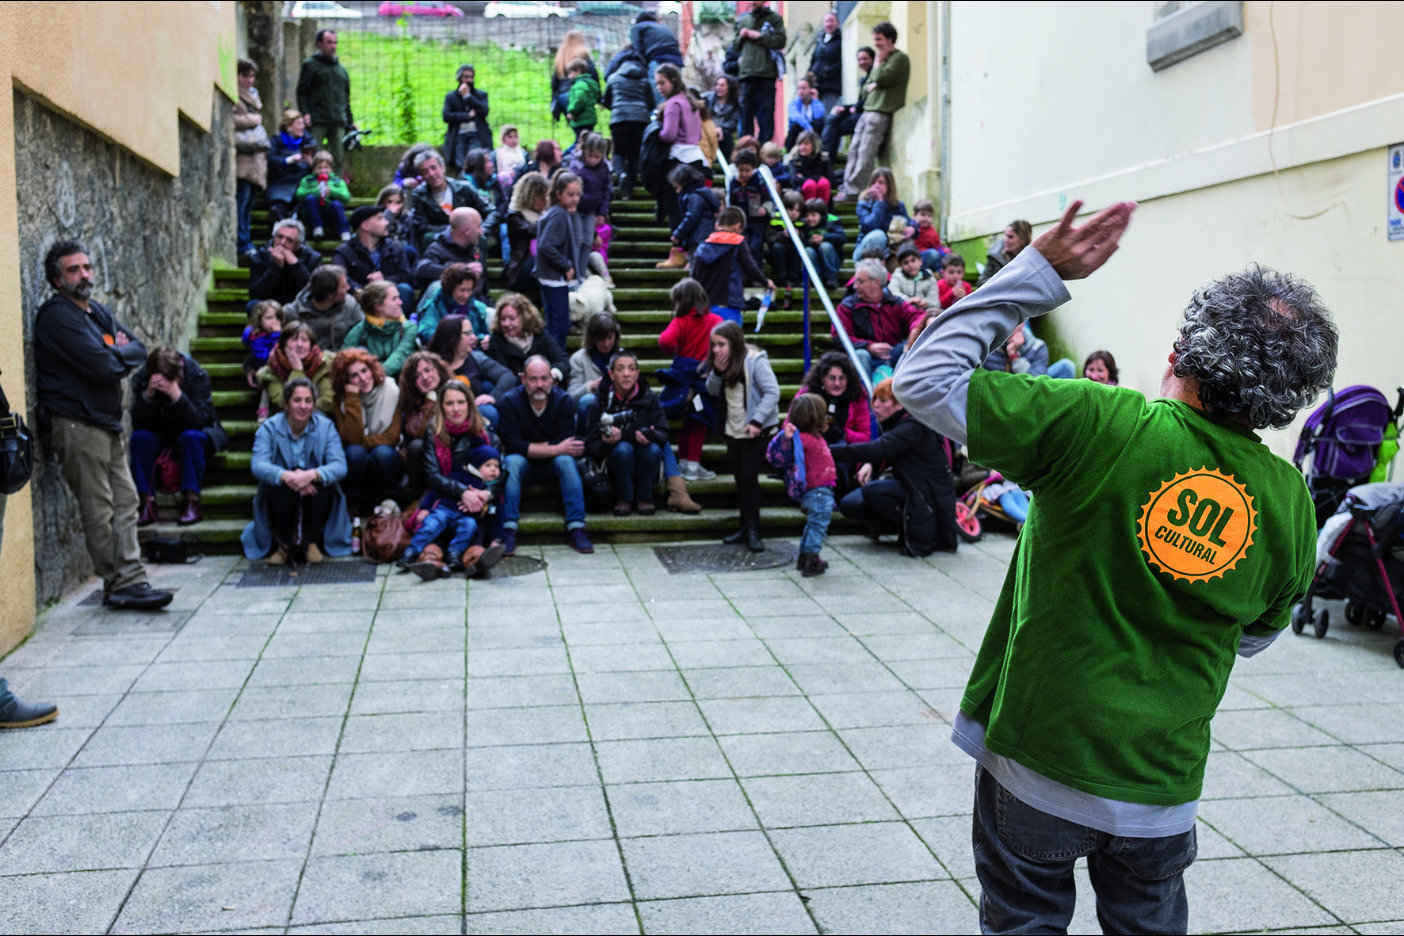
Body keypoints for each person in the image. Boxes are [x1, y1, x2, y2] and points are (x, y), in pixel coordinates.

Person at [893, 199, 1339, 932]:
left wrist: (1035, 271)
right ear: (1287, 398)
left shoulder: (1101, 423)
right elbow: (1256, 636)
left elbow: (924, 379)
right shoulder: (1289, 498)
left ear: (1182, 349)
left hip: (1039, 762)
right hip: (1161, 789)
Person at [32, 241, 173, 610]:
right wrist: (114, 352)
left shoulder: (95, 312)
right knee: (100, 507)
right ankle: (120, 582)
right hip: (78, 425)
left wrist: (114, 351)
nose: (84, 275)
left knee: (126, 501)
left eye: (87, 267)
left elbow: (139, 350)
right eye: (74, 270)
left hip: (107, 423)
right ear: (56, 279)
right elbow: (103, 366)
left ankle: (130, 578)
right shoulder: (57, 316)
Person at [832, 377, 956, 555]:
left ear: (900, 405)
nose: (875, 405)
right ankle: (894, 528)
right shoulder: (898, 422)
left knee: (873, 492)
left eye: (883, 401)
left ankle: (919, 531)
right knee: (850, 503)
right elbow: (886, 449)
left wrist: (830, 451)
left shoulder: (913, 426)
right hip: (912, 484)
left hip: (927, 493)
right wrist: (870, 464)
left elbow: (880, 447)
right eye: (874, 399)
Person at [242, 376, 352, 566]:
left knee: (322, 482)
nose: (303, 406)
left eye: (308, 401)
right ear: (286, 404)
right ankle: (283, 545)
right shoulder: (269, 428)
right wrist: (288, 476)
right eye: (297, 400)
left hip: (314, 492)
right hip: (283, 490)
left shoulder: (325, 427)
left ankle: (311, 542)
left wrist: (310, 475)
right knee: (278, 483)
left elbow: (339, 465)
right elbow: (258, 465)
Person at [496, 355, 593, 556]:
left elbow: (568, 444)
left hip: (553, 464)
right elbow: (513, 445)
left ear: (552, 379)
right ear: (523, 379)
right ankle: (508, 529)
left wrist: (536, 448)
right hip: (523, 464)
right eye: (533, 379)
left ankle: (576, 526)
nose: (539, 385)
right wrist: (554, 448)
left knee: (566, 461)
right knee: (512, 462)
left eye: (544, 378)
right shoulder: (509, 402)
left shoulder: (564, 401)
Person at [404, 382, 502, 579]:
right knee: (435, 522)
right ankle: (432, 561)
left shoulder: (485, 432)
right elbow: (433, 476)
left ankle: (474, 560)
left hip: (475, 500)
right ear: (441, 407)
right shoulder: (434, 432)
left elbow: (500, 473)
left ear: (469, 404)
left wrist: (485, 494)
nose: (456, 409)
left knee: (473, 521)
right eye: (449, 403)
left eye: (460, 402)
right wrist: (463, 492)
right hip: (442, 495)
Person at [129, 347, 227, 527]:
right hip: (162, 433)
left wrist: (177, 396)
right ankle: (147, 502)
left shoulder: (197, 375)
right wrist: (148, 396)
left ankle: (192, 501)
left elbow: (200, 422)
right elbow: (139, 422)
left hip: (195, 435)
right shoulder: (144, 378)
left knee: (191, 437)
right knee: (140, 438)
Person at [704, 321, 779, 552]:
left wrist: (757, 420)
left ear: (734, 343)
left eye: (721, 344)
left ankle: (755, 530)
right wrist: (716, 371)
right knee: (740, 480)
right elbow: (711, 390)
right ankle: (744, 527)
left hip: (754, 431)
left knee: (749, 479)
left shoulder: (755, 361)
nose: (716, 349)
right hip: (732, 429)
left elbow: (772, 392)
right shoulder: (721, 363)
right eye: (713, 345)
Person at [583, 351, 669, 516]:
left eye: (631, 369)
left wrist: (650, 435)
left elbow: (663, 433)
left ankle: (645, 497)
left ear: (637, 373)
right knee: (623, 449)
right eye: (620, 369)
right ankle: (624, 499)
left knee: (652, 450)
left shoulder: (650, 398)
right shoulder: (600, 401)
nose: (626, 374)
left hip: (645, 456)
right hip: (615, 462)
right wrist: (605, 442)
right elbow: (590, 445)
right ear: (611, 374)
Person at [659, 278, 724, 482]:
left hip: (682, 379)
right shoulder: (715, 321)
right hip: (705, 379)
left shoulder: (680, 321)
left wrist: (675, 351)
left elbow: (665, 341)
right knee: (699, 421)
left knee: (687, 420)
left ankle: (686, 463)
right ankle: (692, 463)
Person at [766, 393, 837, 576]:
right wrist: (786, 438)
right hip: (817, 491)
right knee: (818, 524)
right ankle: (811, 559)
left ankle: (805, 557)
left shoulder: (811, 437)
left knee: (813, 524)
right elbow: (778, 455)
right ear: (814, 417)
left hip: (822, 490)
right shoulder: (802, 439)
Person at [838, 22, 910, 200]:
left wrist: (878, 66)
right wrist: (875, 81)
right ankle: (848, 186)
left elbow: (882, 78)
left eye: (879, 39)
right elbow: (865, 89)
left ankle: (855, 191)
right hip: (868, 110)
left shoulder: (899, 59)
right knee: (854, 149)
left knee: (866, 152)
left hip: (881, 111)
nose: (876, 43)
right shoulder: (882, 60)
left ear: (890, 39)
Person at [331, 347, 403, 517]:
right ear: (345, 380)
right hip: (357, 458)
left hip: (388, 455)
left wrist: (364, 442)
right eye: (354, 375)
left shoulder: (391, 390)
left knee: (382, 453)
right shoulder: (343, 399)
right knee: (355, 453)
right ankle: (355, 505)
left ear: (372, 369)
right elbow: (351, 438)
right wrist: (353, 399)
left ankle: (389, 502)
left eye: (364, 371)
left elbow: (392, 437)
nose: (362, 378)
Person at [835, 258, 924, 377]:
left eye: (860, 282)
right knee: (861, 355)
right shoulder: (847, 307)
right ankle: (866, 394)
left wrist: (914, 331)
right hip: (866, 358)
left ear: (875, 282)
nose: (855, 286)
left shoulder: (894, 302)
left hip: (893, 355)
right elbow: (839, 337)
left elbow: (917, 316)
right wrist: (868, 346)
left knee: (908, 348)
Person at [427, 314, 516, 429]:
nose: (474, 337)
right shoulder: (431, 362)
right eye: (468, 333)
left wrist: (493, 396)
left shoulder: (476, 358)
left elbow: (508, 376)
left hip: (471, 415)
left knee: (488, 410)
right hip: (440, 415)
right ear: (452, 337)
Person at [655, 63, 705, 259]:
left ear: (673, 81)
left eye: (662, 83)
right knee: (692, 208)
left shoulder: (673, 104)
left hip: (678, 158)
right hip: (695, 157)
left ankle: (678, 252)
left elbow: (668, 134)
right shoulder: (691, 102)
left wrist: (655, 133)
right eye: (657, 84)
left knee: (676, 208)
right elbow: (699, 133)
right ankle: (690, 253)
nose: (659, 87)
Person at [691, 205, 771, 325]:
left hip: (705, 306)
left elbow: (694, 276)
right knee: (731, 341)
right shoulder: (738, 243)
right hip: (729, 303)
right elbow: (750, 267)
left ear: (717, 224)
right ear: (738, 226)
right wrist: (765, 282)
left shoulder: (703, 247)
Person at [535, 171, 587, 347]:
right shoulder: (559, 215)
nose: (575, 199)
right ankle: (556, 362)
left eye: (578, 195)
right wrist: (566, 266)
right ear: (558, 194)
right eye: (570, 195)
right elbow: (545, 245)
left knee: (555, 324)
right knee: (560, 326)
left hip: (549, 276)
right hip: (553, 278)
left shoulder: (559, 213)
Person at [334, 206, 415, 310]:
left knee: (404, 289)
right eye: (380, 218)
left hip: (390, 294)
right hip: (361, 296)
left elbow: (406, 275)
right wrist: (359, 289)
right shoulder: (344, 251)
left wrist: (384, 280)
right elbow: (339, 276)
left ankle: (401, 324)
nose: (386, 223)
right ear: (366, 226)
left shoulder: (395, 247)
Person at [408, 150, 488, 251]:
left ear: (442, 168)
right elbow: (421, 225)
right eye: (425, 171)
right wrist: (454, 230)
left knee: (480, 238)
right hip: (440, 239)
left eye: (433, 168)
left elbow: (490, 211)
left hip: (468, 236)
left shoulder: (464, 188)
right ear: (422, 176)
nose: (431, 174)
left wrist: (483, 228)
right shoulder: (419, 194)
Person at [397, 350, 453, 492]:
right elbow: (418, 433)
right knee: (416, 446)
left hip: (454, 449)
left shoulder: (455, 388)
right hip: (425, 459)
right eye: (417, 376)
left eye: (428, 370)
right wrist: (430, 402)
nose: (425, 377)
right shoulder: (411, 403)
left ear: (438, 369)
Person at [297, 29, 353, 168]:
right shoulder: (310, 65)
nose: (333, 46)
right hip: (317, 120)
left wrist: (351, 122)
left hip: (338, 121)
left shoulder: (341, 70)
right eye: (329, 42)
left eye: (335, 42)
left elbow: (345, 98)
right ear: (319, 44)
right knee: (315, 158)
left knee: (338, 159)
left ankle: (336, 187)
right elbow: (302, 92)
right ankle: (314, 187)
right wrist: (305, 113)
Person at [486, 293, 569, 385]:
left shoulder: (540, 335)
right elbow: (504, 375)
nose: (506, 324)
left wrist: (552, 374)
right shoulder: (496, 340)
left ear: (525, 317)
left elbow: (562, 361)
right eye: (503, 319)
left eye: (511, 319)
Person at [341, 281, 417, 379]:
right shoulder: (359, 332)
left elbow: (399, 356)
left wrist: (372, 377)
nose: (400, 302)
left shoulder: (409, 328)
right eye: (394, 299)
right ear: (378, 306)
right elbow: (342, 361)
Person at [734, 0, 786, 143]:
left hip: (766, 74)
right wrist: (742, 36)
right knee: (746, 116)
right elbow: (734, 46)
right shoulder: (743, 20)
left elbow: (781, 41)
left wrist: (758, 36)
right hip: (746, 75)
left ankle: (765, 150)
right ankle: (746, 150)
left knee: (766, 116)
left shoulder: (774, 18)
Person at [257, 321, 335, 416]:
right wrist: (297, 371)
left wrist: (305, 410)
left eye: (304, 340)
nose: (299, 344)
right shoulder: (272, 369)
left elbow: (328, 401)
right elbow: (284, 403)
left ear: (311, 345)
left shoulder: (323, 364)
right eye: (294, 339)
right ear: (284, 344)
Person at [283, 264, 363, 352]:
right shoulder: (291, 313)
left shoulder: (351, 305)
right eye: (343, 286)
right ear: (330, 295)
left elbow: (363, 335)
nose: (348, 288)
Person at [604, 51, 652, 198]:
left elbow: (606, 100)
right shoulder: (644, 80)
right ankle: (632, 183)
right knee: (635, 153)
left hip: (619, 119)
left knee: (619, 151)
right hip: (641, 119)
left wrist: (615, 108)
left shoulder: (613, 78)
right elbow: (650, 102)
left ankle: (621, 175)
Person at [801, 350, 872, 448]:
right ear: (822, 378)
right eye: (832, 378)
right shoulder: (808, 392)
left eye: (842, 378)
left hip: (846, 452)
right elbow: (790, 424)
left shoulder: (857, 395)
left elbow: (865, 437)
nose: (837, 383)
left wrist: (842, 432)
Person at [234, 59, 268, 260]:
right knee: (242, 201)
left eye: (252, 76)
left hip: (255, 161)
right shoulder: (236, 97)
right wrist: (253, 120)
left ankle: (245, 240)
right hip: (244, 160)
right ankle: (242, 242)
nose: (249, 80)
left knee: (247, 204)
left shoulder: (254, 96)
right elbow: (231, 120)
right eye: (245, 75)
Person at [414, 206, 486, 295]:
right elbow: (422, 269)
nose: (481, 232)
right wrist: (461, 270)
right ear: (467, 231)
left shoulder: (476, 250)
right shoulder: (437, 248)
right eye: (479, 227)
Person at [249, 218, 320, 305]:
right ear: (274, 237)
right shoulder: (260, 256)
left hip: (297, 304)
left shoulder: (312, 258)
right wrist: (276, 267)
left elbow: (312, 292)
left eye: (289, 240)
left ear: (298, 244)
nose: (282, 242)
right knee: (252, 304)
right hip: (269, 304)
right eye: (279, 237)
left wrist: (295, 265)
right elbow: (256, 293)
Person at [417, 263, 490, 346]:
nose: (466, 295)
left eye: (469, 290)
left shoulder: (476, 307)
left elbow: (483, 333)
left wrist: (482, 339)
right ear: (450, 288)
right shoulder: (434, 306)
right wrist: (458, 340)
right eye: (462, 290)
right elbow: (426, 332)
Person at [822, 45, 874, 160]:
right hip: (859, 111)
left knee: (836, 125)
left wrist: (855, 107)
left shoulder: (874, 76)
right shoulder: (865, 79)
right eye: (859, 59)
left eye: (865, 58)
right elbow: (861, 101)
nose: (862, 62)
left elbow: (870, 100)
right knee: (833, 117)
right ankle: (826, 155)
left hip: (867, 114)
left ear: (872, 59)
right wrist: (844, 108)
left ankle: (827, 157)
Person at [667, 164, 722, 269]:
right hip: (704, 234)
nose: (676, 190)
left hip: (698, 237)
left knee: (696, 265)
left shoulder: (693, 196)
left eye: (677, 186)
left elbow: (691, 216)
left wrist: (678, 233)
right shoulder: (701, 193)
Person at [853, 167, 911, 263]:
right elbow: (870, 226)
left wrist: (913, 228)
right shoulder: (863, 203)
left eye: (881, 182)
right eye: (873, 182)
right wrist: (880, 203)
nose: (876, 186)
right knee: (879, 235)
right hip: (864, 253)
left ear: (889, 186)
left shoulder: (898, 205)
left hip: (889, 252)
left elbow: (909, 222)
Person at [442, 64, 491, 174]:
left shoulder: (480, 95)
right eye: (466, 77)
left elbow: (485, 111)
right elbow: (446, 116)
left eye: (471, 77)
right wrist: (466, 116)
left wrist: (468, 97)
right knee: (461, 163)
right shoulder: (451, 97)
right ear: (459, 78)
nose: (469, 80)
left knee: (476, 159)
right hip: (458, 135)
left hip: (476, 134)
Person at [984, 321, 1076, 379]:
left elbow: (1034, 384)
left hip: (1028, 395)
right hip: (1002, 396)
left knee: (1066, 367)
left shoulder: (1038, 347)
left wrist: (1014, 357)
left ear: (1023, 324)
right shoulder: (986, 345)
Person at [504, 171, 547, 293]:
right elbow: (531, 231)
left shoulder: (545, 215)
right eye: (541, 197)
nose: (545, 201)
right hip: (522, 268)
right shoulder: (515, 217)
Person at [568, 132, 612, 251]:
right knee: (577, 240)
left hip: (592, 211)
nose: (592, 160)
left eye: (597, 157)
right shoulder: (577, 166)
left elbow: (606, 191)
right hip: (576, 209)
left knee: (588, 242)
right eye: (590, 156)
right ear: (584, 152)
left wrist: (602, 212)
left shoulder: (604, 169)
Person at [295, 150, 351, 241]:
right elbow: (299, 194)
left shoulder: (337, 181)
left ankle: (344, 232)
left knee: (336, 204)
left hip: (331, 213)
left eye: (326, 167)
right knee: (310, 199)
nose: (323, 170)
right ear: (314, 169)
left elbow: (346, 197)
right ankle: (317, 229)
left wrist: (332, 191)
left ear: (331, 169)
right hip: (312, 214)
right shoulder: (307, 180)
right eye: (319, 168)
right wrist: (316, 191)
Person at [630, 9, 684, 104]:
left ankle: (662, 114)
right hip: (677, 61)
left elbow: (637, 49)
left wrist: (644, 67)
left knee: (659, 92)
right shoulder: (662, 27)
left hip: (659, 59)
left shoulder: (637, 27)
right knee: (675, 91)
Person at [268, 109, 314, 220]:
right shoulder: (276, 141)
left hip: (302, 183)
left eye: (303, 123)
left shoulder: (308, 141)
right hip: (281, 182)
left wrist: (311, 162)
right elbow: (271, 160)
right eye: (299, 124)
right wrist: (288, 160)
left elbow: (320, 164)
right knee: (277, 208)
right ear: (289, 127)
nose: (302, 127)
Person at [729, 149, 771, 260]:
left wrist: (765, 209)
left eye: (747, 170)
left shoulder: (759, 182)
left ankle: (757, 272)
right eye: (741, 170)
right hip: (742, 222)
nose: (743, 174)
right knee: (743, 246)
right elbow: (732, 202)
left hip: (758, 222)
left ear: (753, 169)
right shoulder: (734, 183)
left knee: (755, 246)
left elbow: (769, 200)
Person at [551, 31, 598, 124]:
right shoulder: (583, 54)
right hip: (579, 95)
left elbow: (554, 83)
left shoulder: (561, 56)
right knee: (583, 129)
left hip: (563, 96)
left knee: (577, 127)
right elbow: (593, 75)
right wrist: (598, 96)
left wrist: (554, 100)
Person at [799, 197, 845, 289]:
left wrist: (824, 238)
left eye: (813, 215)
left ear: (821, 215)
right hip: (815, 259)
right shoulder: (803, 225)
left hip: (832, 259)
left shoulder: (832, 221)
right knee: (807, 250)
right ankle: (815, 279)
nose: (810, 218)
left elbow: (842, 237)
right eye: (807, 215)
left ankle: (831, 279)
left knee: (825, 246)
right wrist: (809, 241)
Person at [243, 300, 284, 395]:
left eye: (277, 317)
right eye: (269, 318)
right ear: (260, 320)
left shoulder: (283, 333)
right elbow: (264, 357)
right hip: (263, 370)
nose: (274, 321)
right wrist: (276, 336)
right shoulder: (256, 336)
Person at [979, 219, 1033, 286]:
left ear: (1023, 239)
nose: (1005, 240)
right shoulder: (995, 257)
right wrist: (1001, 281)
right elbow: (981, 282)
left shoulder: (1032, 259)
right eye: (1005, 235)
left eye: (1010, 237)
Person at [809, 12, 844, 114]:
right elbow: (813, 60)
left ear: (837, 23)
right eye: (826, 21)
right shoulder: (820, 41)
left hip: (831, 88)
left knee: (829, 116)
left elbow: (841, 63)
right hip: (817, 87)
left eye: (831, 21)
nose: (829, 24)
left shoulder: (841, 40)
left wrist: (826, 71)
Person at [789, 131, 833, 206]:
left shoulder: (823, 158)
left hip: (822, 192)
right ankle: (808, 211)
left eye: (806, 144)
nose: (802, 147)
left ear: (814, 145)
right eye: (800, 144)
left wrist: (804, 177)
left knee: (823, 183)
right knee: (810, 185)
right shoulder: (794, 159)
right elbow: (794, 180)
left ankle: (822, 211)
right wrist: (817, 177)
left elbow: (830, 179)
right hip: (800, 194)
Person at [565, 58, 602, 144]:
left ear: (578, 71)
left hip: (581, 119)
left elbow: (579, 99)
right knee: (586, 141)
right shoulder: (590, 83)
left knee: (580, 142)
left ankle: (567, 156)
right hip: (590, 118)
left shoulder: (580, 85)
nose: (568, 76)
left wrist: (572, 112)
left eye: (570, 73)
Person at [785, 74, 826, 149]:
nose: (800, 91)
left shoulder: (818, 103)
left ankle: (820, 149)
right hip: (797, 134)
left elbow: (819, 116)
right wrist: (809, 128)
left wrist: (815, 100)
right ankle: (786, 152)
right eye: (799, 88)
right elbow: (796, 117)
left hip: (813, 134)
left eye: (803, 88)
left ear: (811, 89)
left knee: (819, 122)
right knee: (795, 125)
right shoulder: (793, 104)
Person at [704, 75, 740, 159]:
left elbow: (733, 122)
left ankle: (728, 163)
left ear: (729, 87)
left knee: (726, 136)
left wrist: (721, 128)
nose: (718, 87)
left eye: (722, 85)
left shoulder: (735, 103)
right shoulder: (707, 99)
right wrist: (712, 128)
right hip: (707, 129)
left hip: (724, 132)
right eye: (717, 85)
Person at [910, 199, 947, 271]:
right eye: (923, 215)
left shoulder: (932, 232)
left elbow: (938, 247)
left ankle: (939, 271)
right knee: (933, 254)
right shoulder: (912, 227)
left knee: (941, 256)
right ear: (914, 216)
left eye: (929, 216)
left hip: (927, 257)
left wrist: (944, 254)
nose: (926, 218)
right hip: (913, 256)